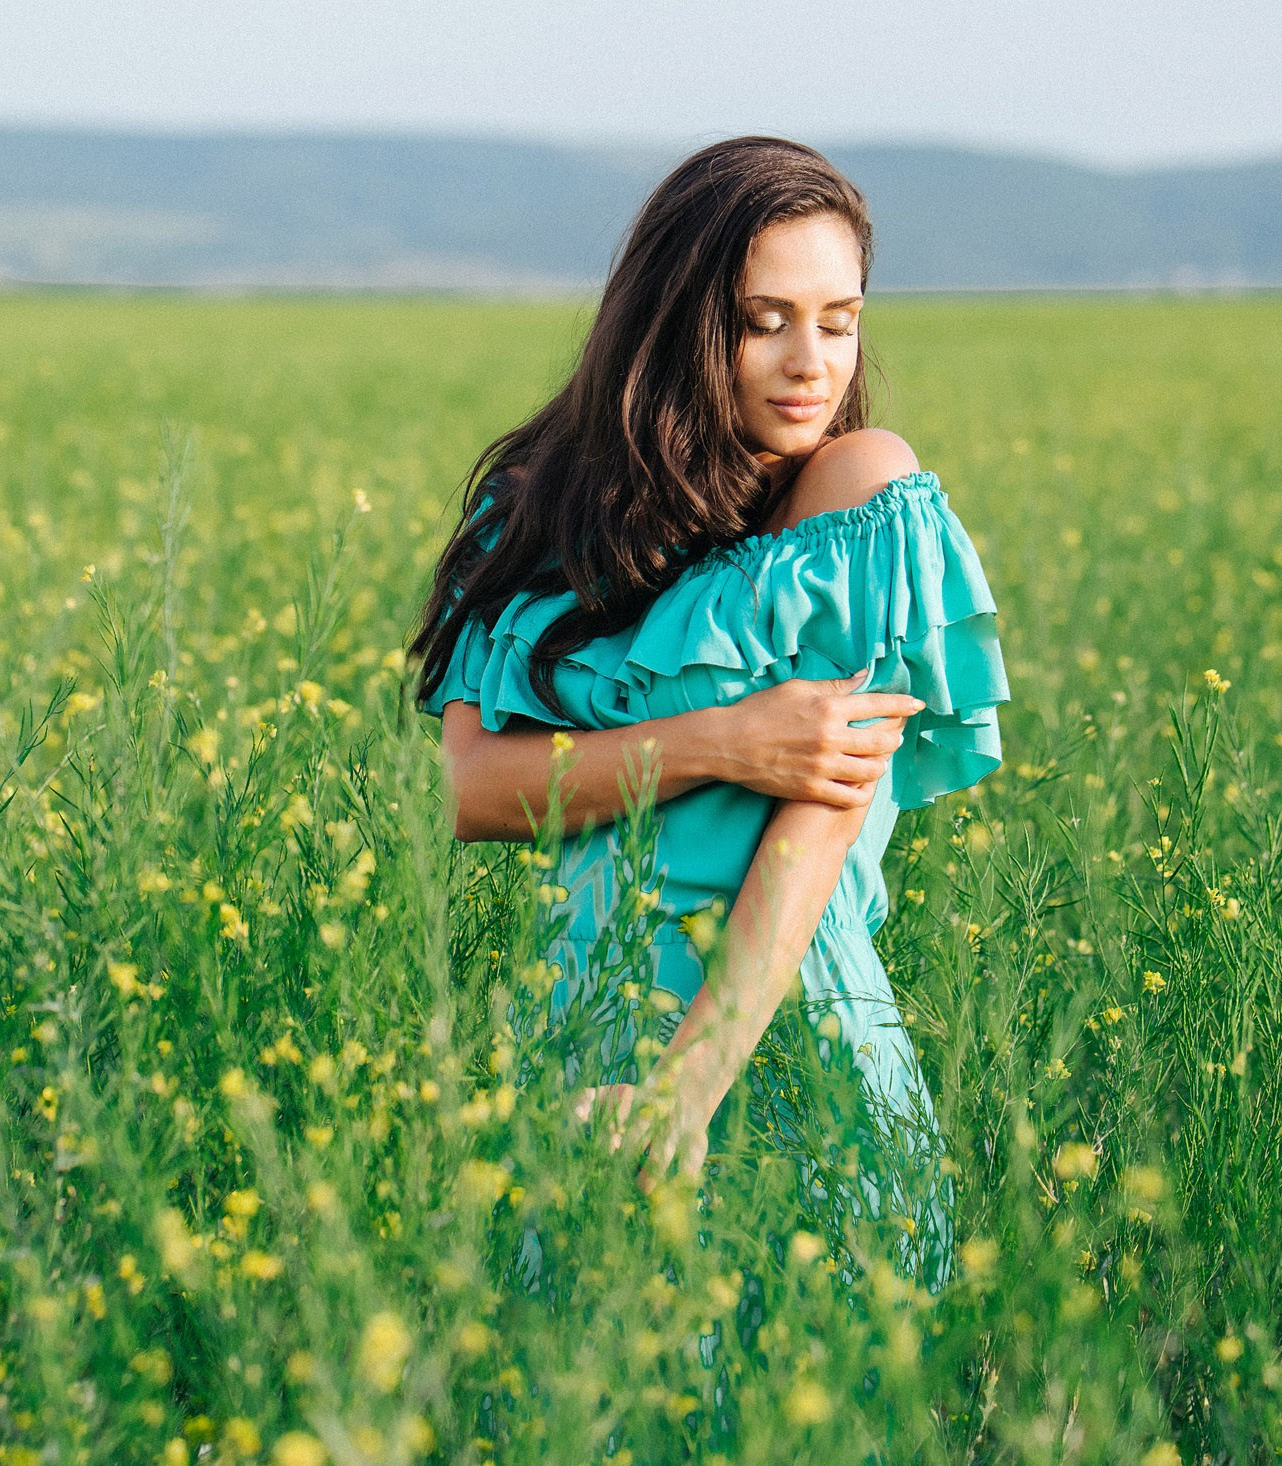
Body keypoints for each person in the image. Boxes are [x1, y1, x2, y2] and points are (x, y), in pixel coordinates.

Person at [405, 135, 1008, 1288]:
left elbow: (822, 813)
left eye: (840, 319)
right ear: (679, 318)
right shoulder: (536, 508)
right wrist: (720, 741)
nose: (810, 362)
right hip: (579, 1017)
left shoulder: (859, 492)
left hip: (774, 1016)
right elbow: (467, 793)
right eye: (762, 317)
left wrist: (690, 1081)